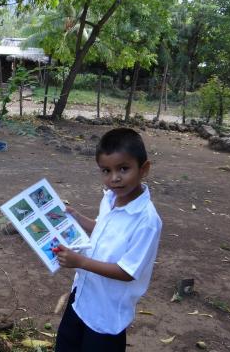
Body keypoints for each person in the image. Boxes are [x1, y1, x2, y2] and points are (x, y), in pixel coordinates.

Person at [54, 127, 162, 352]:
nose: (114, 178)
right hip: (81, 297)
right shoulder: (111, 199)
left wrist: (80, 262)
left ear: (144, 169)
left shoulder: (147, 221)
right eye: (106, 170)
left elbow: (127, 271)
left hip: (107, 315)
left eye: (123, 169)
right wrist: (76, 216)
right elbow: (102, 229)